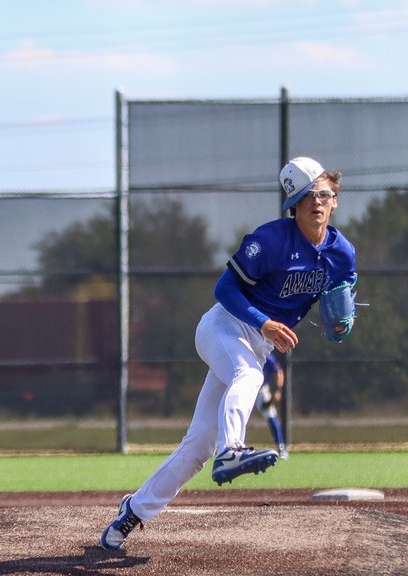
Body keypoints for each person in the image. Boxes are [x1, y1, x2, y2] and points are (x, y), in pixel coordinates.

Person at [101, 156, 356, 550]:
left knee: (198, 445)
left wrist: (340, 324)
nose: (316, 202)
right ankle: (233, 451)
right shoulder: (270, 240)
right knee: (250, 377)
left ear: (335, 198)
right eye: (306, 197)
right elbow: (224, 290)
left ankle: (133, 510)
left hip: (255, 342)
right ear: (293, 205)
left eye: (323, 194)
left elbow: (341, 297)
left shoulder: (342, 253)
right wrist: (264, 322)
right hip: (224, 326)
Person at [257, 353, 289, 460]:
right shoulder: (243, 351)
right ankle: (232, 449)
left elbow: (279, 372)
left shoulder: (267, 356)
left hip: (261, 390)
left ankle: (281, 447)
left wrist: (278, 390)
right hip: (243, 388)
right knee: (237, 416)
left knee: (271, 416)